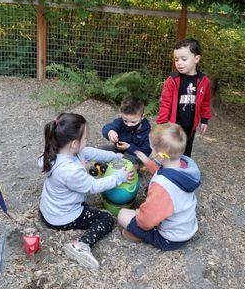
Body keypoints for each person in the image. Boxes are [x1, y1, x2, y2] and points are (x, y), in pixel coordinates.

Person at [38, 112, 133, 269]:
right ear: (74, 143)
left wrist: (116, 156)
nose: (87, 141)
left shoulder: (56, 151)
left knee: (88, 206)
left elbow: (92, 152)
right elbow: (93, 187)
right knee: (106, 219)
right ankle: (81, 245)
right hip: (62, 217)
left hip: (49, 209)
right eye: (85, 138)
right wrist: (119, 177)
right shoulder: (69, 170)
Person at [117, 123, 201, 251]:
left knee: (123, 215)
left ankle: (137, 236)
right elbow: (165, 171)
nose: (151, 151)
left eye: (152, 149)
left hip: (170, 239)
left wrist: (139, 214)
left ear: (161, 156)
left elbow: (145, 221)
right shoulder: (184, 166)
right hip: (185, 228)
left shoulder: (163, 186)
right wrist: (147, 161)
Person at [157, 38, 211, 157]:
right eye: (176, 59)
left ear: (196, 59)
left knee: (186, 153)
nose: (179, 63)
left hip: (190, 126)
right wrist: (162, 123)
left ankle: (183, 171)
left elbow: (205, 102)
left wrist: (204, 120)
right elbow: (165, 103)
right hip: (173, 125)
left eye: (184, 59)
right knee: (169, 151)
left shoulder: (203, 81)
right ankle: (166, 171)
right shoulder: (172, 80)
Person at [101, 96, 152, 165]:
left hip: (134, 155)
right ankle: (108, 165)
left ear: (142, 117)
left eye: (133, 122)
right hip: (119, 150)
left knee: (129, 160)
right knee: (101, 150)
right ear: (121, 115)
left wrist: (129, 147)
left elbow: (146, 152)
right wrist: (110, 132)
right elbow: (107, 128)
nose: (129, 125)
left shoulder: (146, 131)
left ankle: (120, 167)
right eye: (125, 121)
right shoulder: (120, 122)